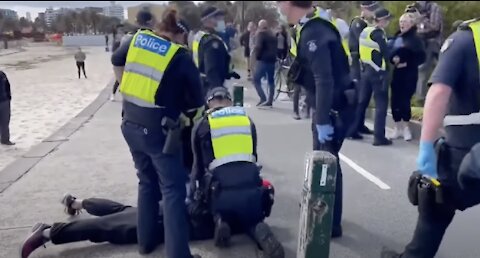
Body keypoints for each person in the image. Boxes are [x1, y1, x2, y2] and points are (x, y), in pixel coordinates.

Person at [381, 17, 480, 258]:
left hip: (465, 152)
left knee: (433, 205)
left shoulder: (466, 39)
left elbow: (438, 93)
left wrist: (426, 146)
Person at [111, 8, 204, 258]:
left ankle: (146, 243)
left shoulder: (135, 39)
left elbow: (116, 61)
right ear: (180, 34)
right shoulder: (180, 56)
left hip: (130, 124)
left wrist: (126, 92)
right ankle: (178, 254)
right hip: (159, 134)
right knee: (173, 190)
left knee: (146, 181)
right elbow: (196, 101)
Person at [20, 179, 276, 258]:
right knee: (109, 227)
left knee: (121, 211)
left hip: (169, 209)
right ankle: (48, 232)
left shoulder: (225, 190)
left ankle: (76, 202)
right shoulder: (247, 216)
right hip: (168, 220)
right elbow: (262, 234)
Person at [279, 1, 357, 238]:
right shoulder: (310, 26)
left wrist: (322, 119)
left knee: (327, 162)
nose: (278, 7)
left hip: (333, 108)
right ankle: (325, 210)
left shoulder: (314, 31)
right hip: (331, 104)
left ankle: (329, 222)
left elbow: (324, 79)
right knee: (325, 160)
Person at [190, 87, 284, 257]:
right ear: (229, 101)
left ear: (209, 103)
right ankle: (258, 229)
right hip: (251, 192)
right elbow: (253, 157)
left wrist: (193, 198)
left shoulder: (203, 124)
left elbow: (197, 169)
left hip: (219, 194)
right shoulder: (247, 121)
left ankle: (220, 220)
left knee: (207, 193)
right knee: (251, 218)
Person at [353, 8, 393, 146]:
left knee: (362, 101)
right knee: (381, 104)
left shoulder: (365, 31)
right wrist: (389, 68)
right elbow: (386, 53)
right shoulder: (378, 34)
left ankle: (353, 129)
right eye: (387, 20)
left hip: (366, 70)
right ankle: (379, 137)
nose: (388, 22)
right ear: (381, 20)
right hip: (378, 72)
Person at [389, 13, 426, 141]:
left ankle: (405, 128)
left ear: (412, 24)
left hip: (409, 74)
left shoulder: (416, 39)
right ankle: (397, 127)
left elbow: (421, 57)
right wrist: (393, 59)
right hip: (396, 73)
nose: (402, 24)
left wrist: (406, 63)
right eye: (401, 21)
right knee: (395, 100)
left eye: (405, 21)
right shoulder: (397, 36)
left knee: (405, 100)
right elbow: (389, 51)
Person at [346, 1, 379, 139]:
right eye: (369, 9)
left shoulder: (366, 24)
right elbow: (363, 41)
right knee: (358, 97)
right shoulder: (358, 23)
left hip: (366, 63)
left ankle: (360, 124)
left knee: (364, 97)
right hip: (358, 62)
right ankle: (351, 129)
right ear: (363, 9)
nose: (372, 11)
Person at [192, 7, 238, 92]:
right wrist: (217, 91)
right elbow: (211, 69)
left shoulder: (200, 35)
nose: (222, 21)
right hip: (210, 87)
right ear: (208, 20)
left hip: (201, 83)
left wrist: (228, 72)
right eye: (219, 18)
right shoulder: (212, 41)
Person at [415, 1, 443, 102]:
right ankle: (420, 99)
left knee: (440, 69)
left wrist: (421, 19)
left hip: (433, 42)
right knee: (422, 70)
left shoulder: (434, 7)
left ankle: (441, 96)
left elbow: (435, 26)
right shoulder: (416, 8)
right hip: (422, 42)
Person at [253, 19, 278, 107]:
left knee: (256, 79)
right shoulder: (273, 35)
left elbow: (258, 47)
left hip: (263, 60)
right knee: (271, 80)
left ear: (260, 26)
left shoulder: (261, 34)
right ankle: (270, 100)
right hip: (272, 60)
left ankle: (263, 97)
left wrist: (257, 57)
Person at [0, 70, 13, 145]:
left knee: (5, 121)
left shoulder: (2, 74)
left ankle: (5, 139)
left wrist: (8, 97)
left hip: (4, 100)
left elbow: (7, 85)